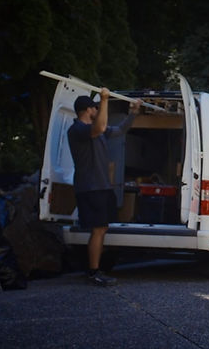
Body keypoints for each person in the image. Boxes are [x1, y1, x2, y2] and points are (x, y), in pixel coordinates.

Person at [67, 88, 141, 286]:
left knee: (102, 228)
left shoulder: (96, 130)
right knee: (98, 229)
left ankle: (94, 268)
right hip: (90, 187)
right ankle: (93, 272)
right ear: (87, 110)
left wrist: (133, 113)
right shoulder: (78, 130)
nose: (97, 110)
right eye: (95, 108)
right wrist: (105, 99)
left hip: (101, 187)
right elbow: (99, 128)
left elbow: (119, 130)